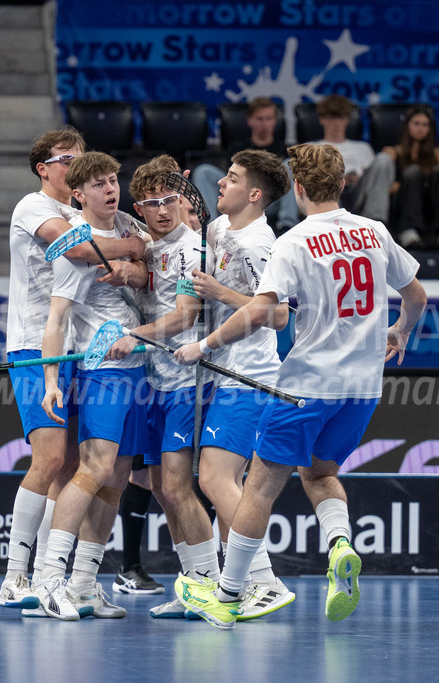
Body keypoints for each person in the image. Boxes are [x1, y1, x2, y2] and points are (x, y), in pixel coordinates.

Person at [172, 143, 428, 630]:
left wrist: (203, 346)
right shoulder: (373, 231)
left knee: (261, 488)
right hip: (363, 388)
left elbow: (259, 314)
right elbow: (416, 295)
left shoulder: (293, 242)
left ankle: (228, 596)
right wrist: (401, 331)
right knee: (320, 474)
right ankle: (340, 546)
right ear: (345, 183)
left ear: (299, 188)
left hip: (308, 385)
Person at [0, 129, 146, 613]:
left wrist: (135, 251)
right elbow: (81, 250)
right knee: (51, 458)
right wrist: (133, 248)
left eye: (85, 158)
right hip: (37, 345)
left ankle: (70, 579)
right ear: (44, 167)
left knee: (84, 467)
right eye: (68, 159)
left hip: (87, 350)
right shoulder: (33, 207)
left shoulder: (98, 213)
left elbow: (145, 249)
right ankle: (18, 576)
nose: (77, 165)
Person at [34, 152, 150, 621]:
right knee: (94, 469)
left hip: (140, 368)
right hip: (102, 370)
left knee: (117, 480)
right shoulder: (75, 246)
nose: (110, 188)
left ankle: (84, 584)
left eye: (113, 180)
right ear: (77, 194)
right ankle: (48, 579)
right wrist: (50, 381)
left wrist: (134, 263)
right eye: (99, 183)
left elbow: (148, 260)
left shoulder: (125, 227)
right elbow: (56, 318)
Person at [185, 149, 297, 621]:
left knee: (213, 478)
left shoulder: (260, 245)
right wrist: (178, 187)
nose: (221, 184)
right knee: (226, 482)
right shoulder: (218, 229)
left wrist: (220, 295)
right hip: (222, 375)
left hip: (249, 377)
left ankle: (265, 580)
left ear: (254, 194)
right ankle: (234, 585)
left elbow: (278, 314)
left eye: (230, 178)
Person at [106, 156, 220, 616]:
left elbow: (184, 316)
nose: (162, 210)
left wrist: (131, 337)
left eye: (169, 200)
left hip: (186, 384)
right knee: (159, 485)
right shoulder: (152, 249)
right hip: (152, 382)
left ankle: (211, 585)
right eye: (152, 204)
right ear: (141, 208)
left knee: (176, 487)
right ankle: (191, 585)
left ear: (181, 200)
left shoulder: (192, 249)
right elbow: (145, 283)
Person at [277, 95, 391, 233]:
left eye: (340, 118)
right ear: (322, 119)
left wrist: (357, 179)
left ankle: (374, 226)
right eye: (331, 118)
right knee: (290, 163)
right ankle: (287, 224)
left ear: (347, 120)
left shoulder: (362, 148)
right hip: (323, 196)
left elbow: (376, 180)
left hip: (357, 194)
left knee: (384, 159)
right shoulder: (311, 147)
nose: (336, 123)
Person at [190, 98, 287, 221]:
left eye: (268, 118)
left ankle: (287, 223)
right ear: (250, 120)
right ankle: (210, 226)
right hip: (239, 198)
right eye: (259, 119)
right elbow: (232, 179)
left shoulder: (285, 150)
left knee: (289, 166)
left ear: (275, 121)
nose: (264, 124)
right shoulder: (237, 148)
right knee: (203, 171)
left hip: (269, 202)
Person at [381, 104, 439, 250]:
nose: (421, 128)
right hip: (402, 205)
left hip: (430, 204)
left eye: (425, 125)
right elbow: (382, 186)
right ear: (407, 126)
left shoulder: (438, 153)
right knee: (413, 172)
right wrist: (401, 185)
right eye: (416, 124)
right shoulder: (393, 152)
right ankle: (408, 230)